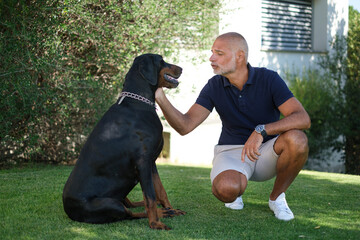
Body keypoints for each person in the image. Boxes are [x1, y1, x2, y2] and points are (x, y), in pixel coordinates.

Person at [155, 32, 311, 221]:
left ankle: (276, 198)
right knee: (226, 189)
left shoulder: (268, 79)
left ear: (239, 56)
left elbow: (302, 118)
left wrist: (262, 130)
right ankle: (235, 191)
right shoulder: (214, 86)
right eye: (212, 52)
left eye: (219, 53)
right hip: (231, 151)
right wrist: (161, 97)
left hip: (268, 152)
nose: (211, 58)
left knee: (298, 139)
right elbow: (185, 126)